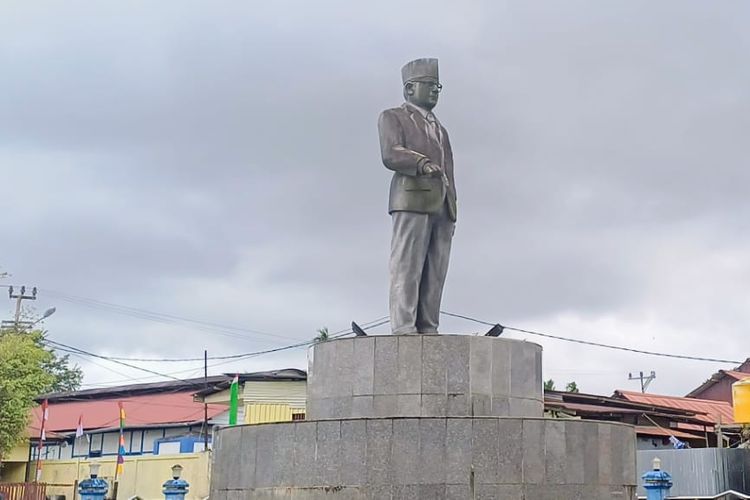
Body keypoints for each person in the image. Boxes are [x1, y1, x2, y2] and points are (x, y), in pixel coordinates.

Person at [377, 58, 457, 335]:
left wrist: (452, 208)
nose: (435, 91)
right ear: (410, 89)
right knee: (408, 265)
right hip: (411, 199)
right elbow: (391, 153)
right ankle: (404, 326)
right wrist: (421, 163)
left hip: (443, 206)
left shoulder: (441, 130)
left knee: (435, 271)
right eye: (429, 85)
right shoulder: (393, 117)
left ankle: (428, 325)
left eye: (438, 86)